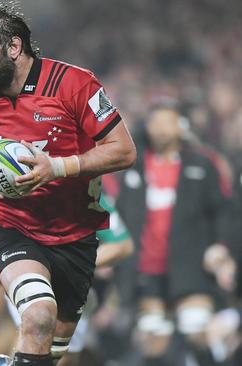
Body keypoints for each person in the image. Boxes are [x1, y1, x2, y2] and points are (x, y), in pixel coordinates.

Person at [0, 4, 136, 365]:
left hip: (76, 236)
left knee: (56, 354)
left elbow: (124, 152)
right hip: (13, 229)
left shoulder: (75, 84)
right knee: (37, 317)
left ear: (14, 47)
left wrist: (57, 167)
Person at [116, 103, 234, 366]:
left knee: (196, 330)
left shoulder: (202, 165)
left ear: (181, 127)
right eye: (154, 121)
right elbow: (120, 214)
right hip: (146, 268)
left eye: (167, 121)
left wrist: (220, 248)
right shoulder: (134, 167)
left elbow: (222, 211)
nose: (159, 128)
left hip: (190, 266)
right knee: (153, 340)